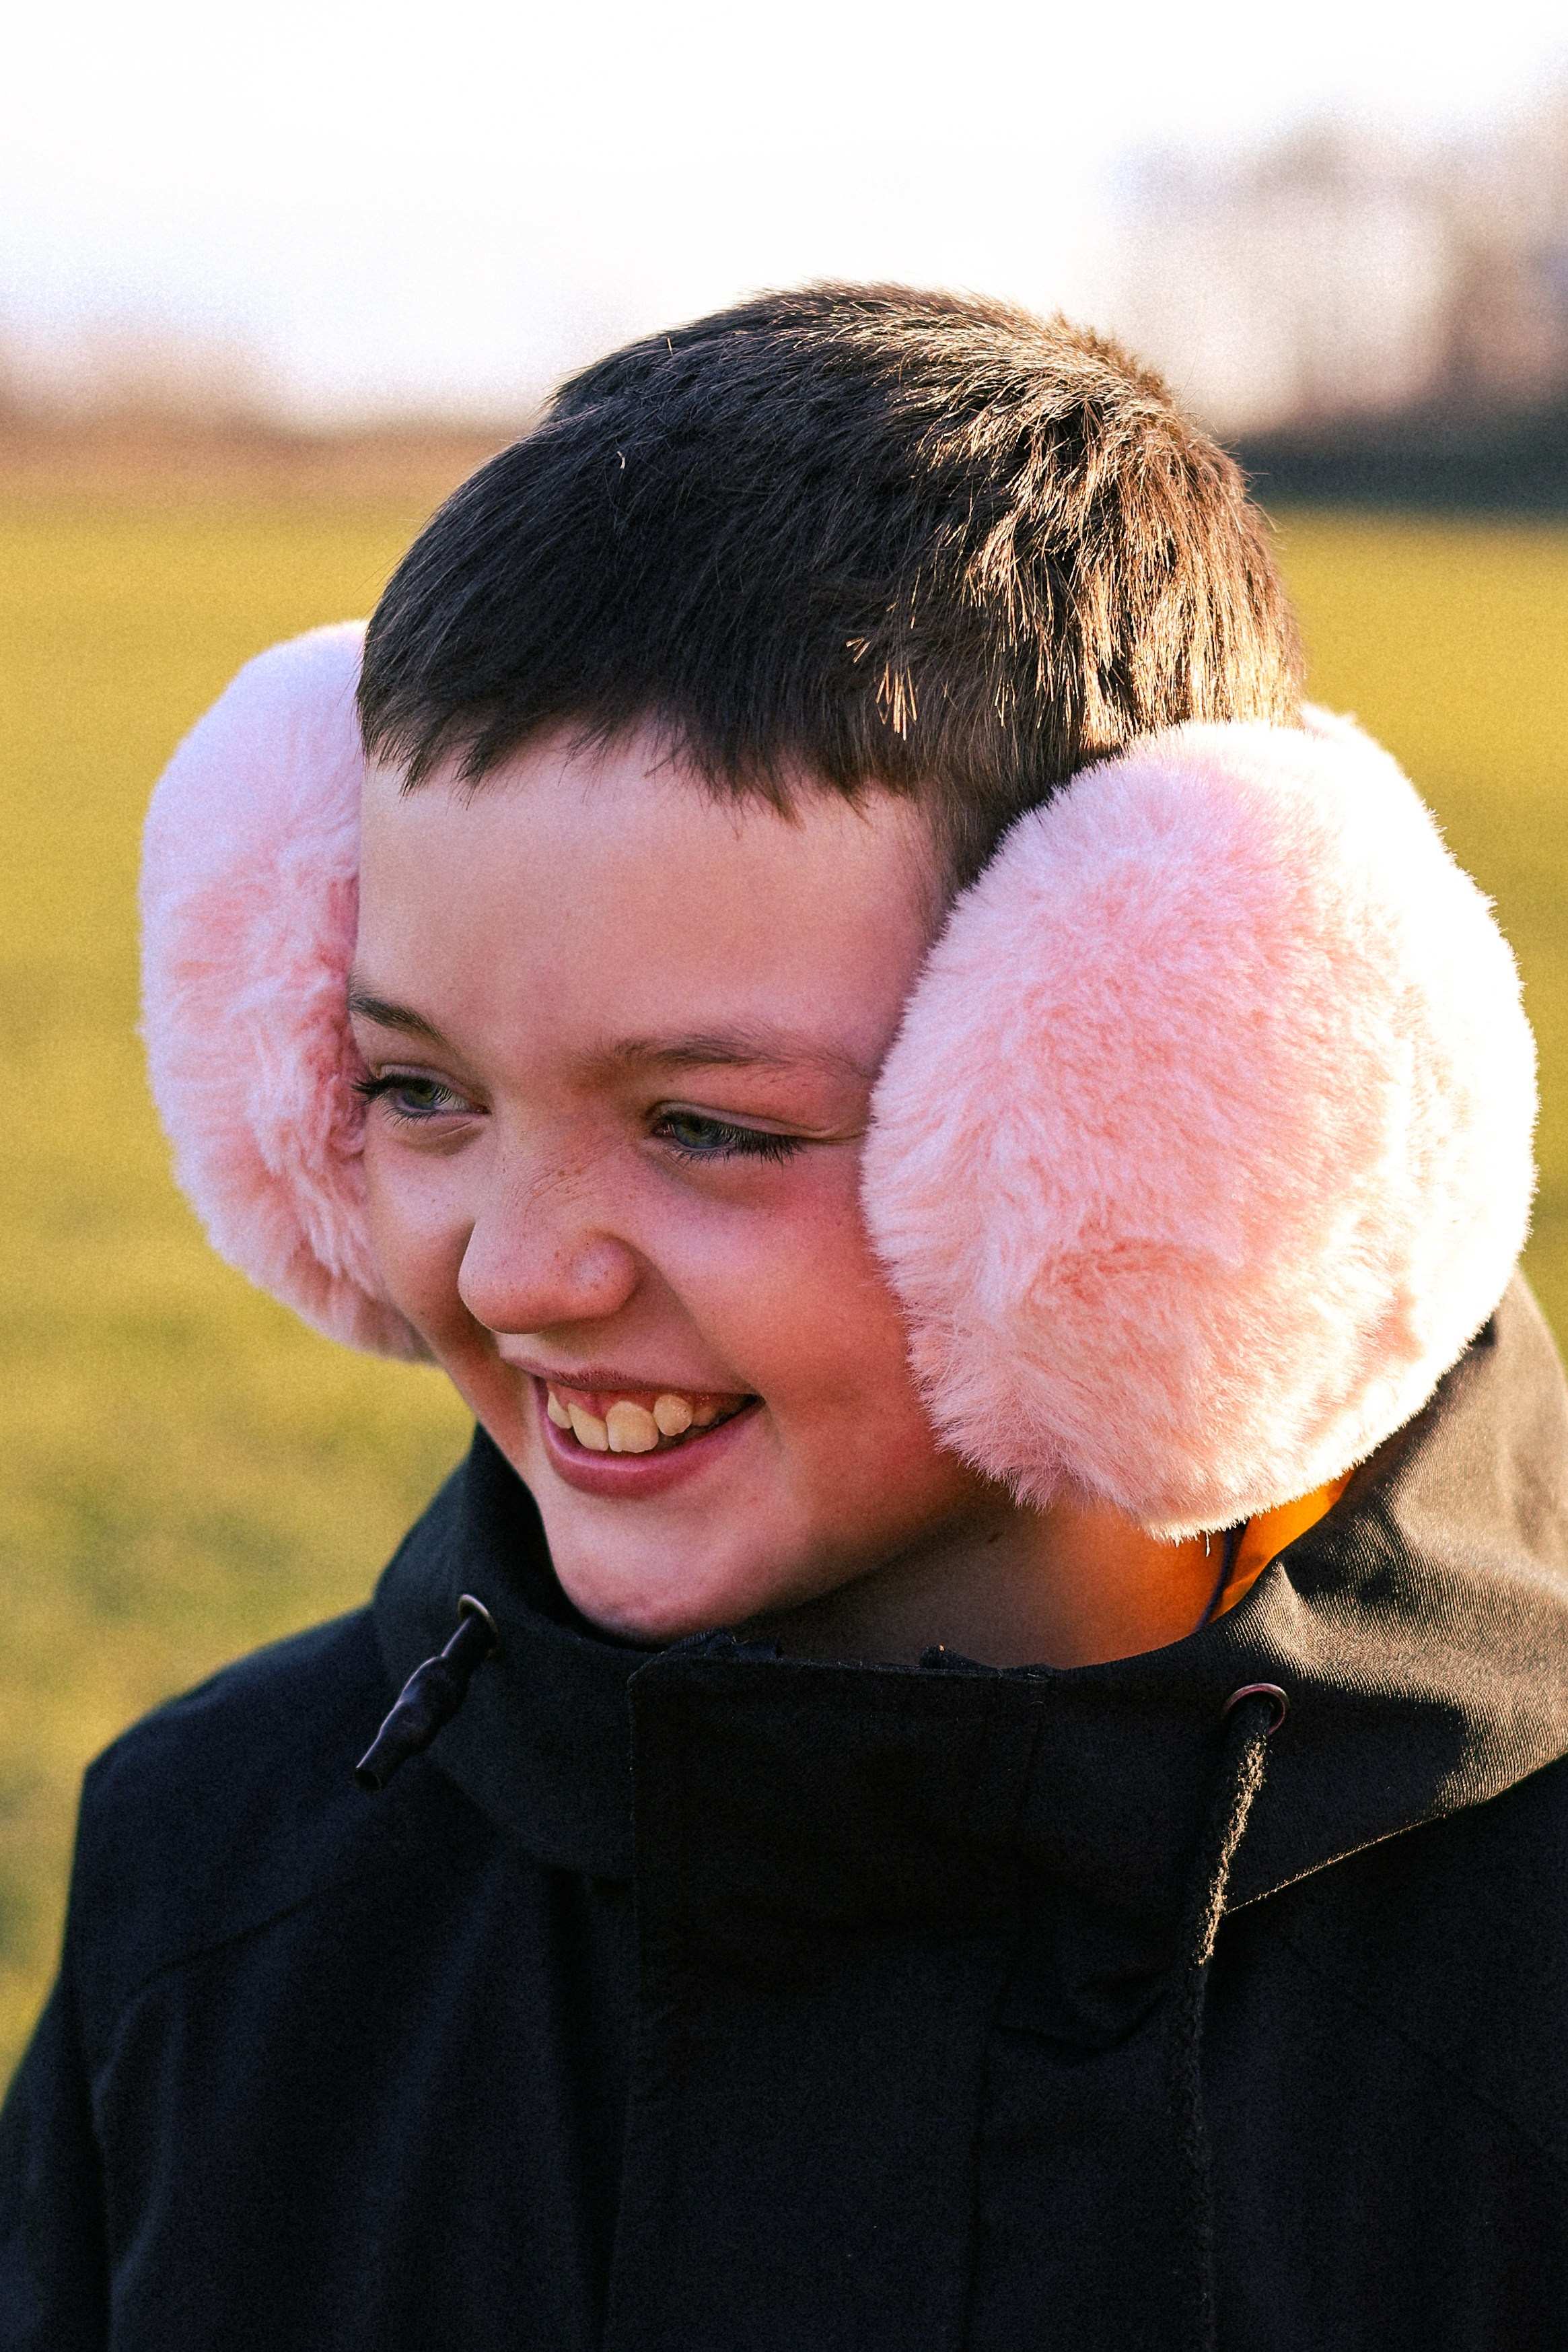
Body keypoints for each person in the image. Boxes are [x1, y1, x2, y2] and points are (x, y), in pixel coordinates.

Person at [2, 285, 1564, 2352]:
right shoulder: (222, 1891)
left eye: (709, 1127)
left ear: (1170, 1111)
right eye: (417, 1091)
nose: (516, 1272)